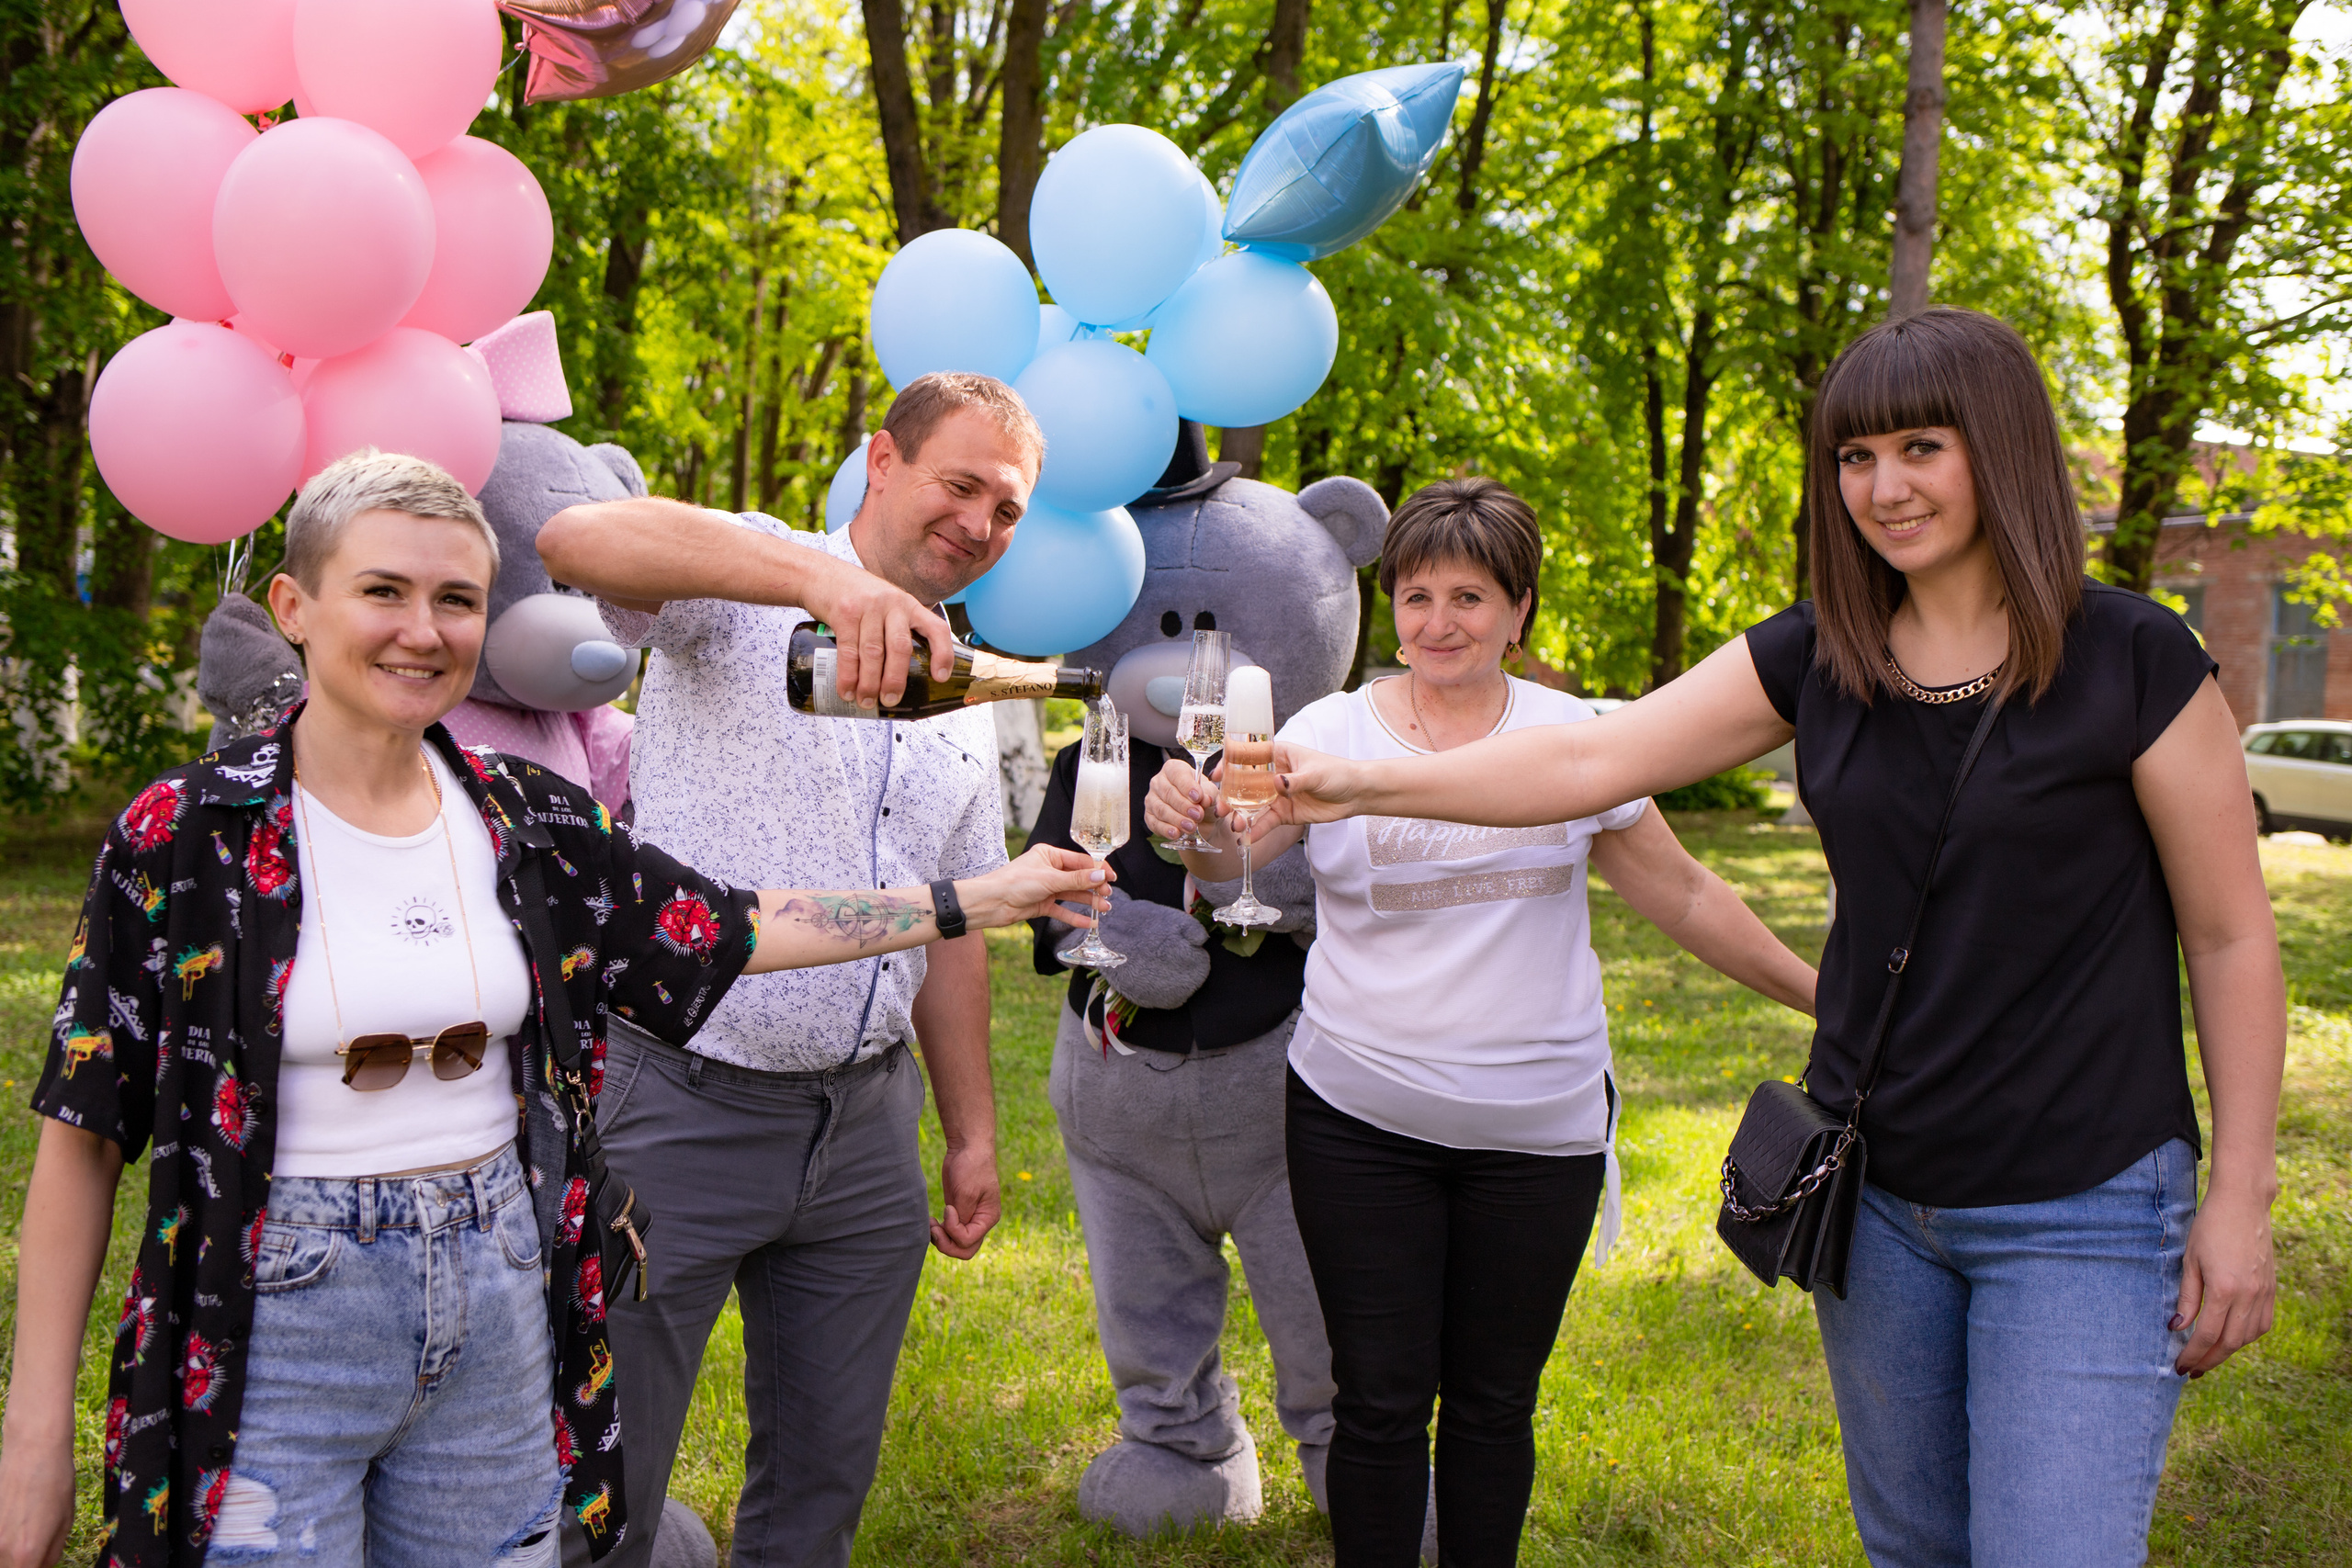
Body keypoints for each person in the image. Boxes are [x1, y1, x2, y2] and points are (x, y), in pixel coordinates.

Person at [1250, 310, 2286, 1566]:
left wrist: (2239, 1196)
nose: (1886, 486)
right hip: (1880, 1189)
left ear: (2001, 447)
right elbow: (1593, 755)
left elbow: (2231, 937)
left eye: (1921, 446)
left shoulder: (2135, 655)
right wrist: (1364, 784)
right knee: (1914, 1546)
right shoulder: (1821, 650)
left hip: (2083, 1199)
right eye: (1856, 457)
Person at [0, 451, 1105, 1568]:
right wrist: (34, 1439)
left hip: (499, 1313)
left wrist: (982, 895)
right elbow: (83, 1137)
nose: (422, 632)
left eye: (458, 601)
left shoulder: (523, 819)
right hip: (273, 1327)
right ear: (293, 605)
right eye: (383, 591)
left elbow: (735, 928)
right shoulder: (190, 834)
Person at [1146, 477, 1820, 1568]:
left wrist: (1822, 999)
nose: (1439, 623)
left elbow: (1686, 894)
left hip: (1535, 1132)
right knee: (1375, 1399)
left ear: (1519, 610)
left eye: (1469, 596)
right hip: (1358, 1120)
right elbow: (1231, 867)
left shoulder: (1579, 741)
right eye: (1415, 597)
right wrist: (1190, 829)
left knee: (1496, 1402)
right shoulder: (1327, 729)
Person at [533, 372, 1043, 1567]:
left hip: (864, 1129)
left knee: (820, 1486)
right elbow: (571, 535)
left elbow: (953, 921)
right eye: (959, 483)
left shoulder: (964, 686)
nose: (980, 521)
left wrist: (970, 1131)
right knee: (602, 1489)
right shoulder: (747, 580)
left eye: (1008, 508)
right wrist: (823, 579)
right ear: (882, 458)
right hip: (675, 1099)